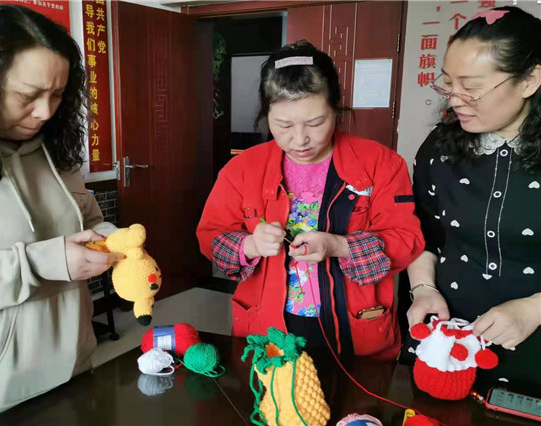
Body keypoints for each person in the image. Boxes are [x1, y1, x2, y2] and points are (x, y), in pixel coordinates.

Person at [0, 5, 123, 424]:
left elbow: (85, 219)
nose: (46, 112)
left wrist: (112, 240)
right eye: (28, 96)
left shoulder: (52, 146)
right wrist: (42, 262)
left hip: (74, 368)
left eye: (57, 94)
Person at [197, 41, 424, 360]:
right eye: (283, 125)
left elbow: (407, 240)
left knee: (355, 393)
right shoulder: (242, 169)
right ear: (266, 114)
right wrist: (249, 245)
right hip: (267, 324)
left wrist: (339, 246)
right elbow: (211, 238)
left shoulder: (381, 164)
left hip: (355, 326)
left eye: (316, 123)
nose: (300, 139)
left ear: (336, 109)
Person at [406, 6, 541, 397]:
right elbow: (424, 230)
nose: (455, 99)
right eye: (448, 83)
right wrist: (423, 289)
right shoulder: (440, 148)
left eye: (471, 87)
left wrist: (533, 309)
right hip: (446, 344)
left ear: (530, 80)